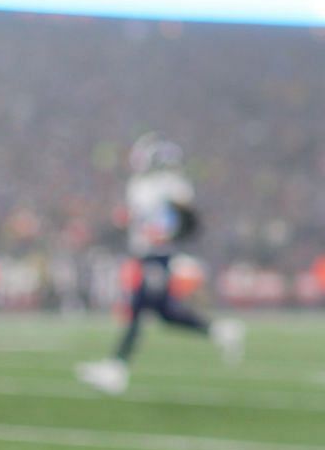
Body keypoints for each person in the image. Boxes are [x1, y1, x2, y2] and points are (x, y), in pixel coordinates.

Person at [76, 133, 243, 395]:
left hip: (157, 256)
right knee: (164, 313)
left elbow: (189, 225)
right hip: (150, 255)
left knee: (138, 308)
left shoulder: (167, 189)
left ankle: (116, 368)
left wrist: (166, 236)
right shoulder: (157, 187)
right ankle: (219, 330)